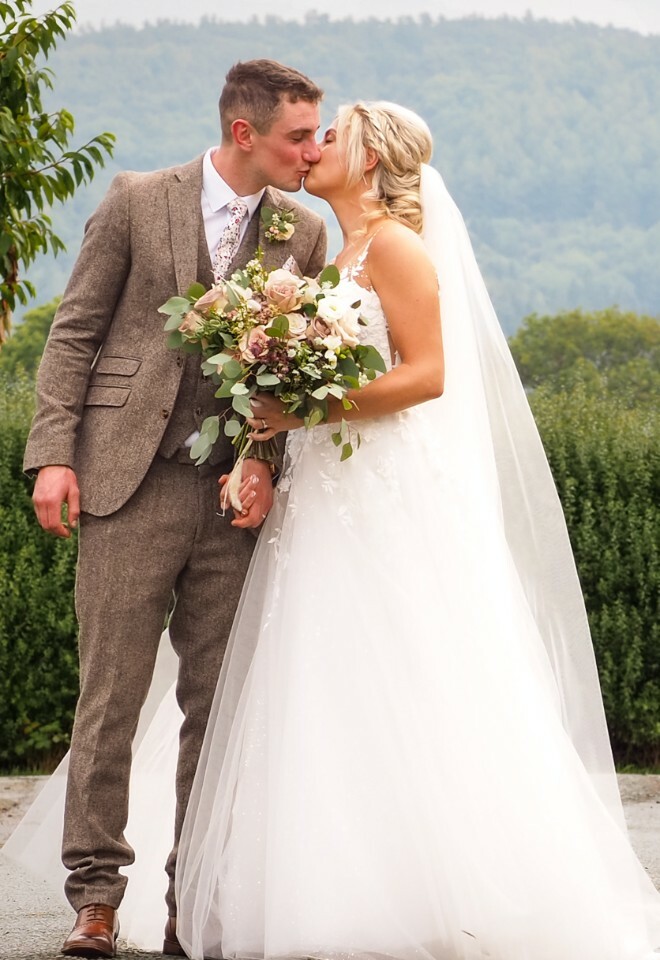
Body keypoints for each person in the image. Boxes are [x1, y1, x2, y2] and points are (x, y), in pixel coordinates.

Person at [19, 59, 327, 959]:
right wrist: (51, 456)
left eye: (314, 136)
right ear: (245, 133)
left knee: (215, 705)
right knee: (109, 695)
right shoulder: (134, 197)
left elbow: (286, 378)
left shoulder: (301, 234)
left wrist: (263, 461)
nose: (312, 153)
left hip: (233, 499)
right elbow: (73, 330)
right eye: (297, 136)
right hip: (125, 477)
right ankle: (96, 897)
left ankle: (192, 894)